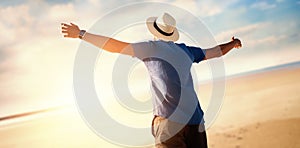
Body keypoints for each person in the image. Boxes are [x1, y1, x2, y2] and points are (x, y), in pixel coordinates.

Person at [61, 12, 242, 148]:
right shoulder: (186, 50)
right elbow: (216, 51)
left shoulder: (150, 48)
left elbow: (114, 46)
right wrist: (233, 44)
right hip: (196, 121)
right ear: (171, 35)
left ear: (155, 33)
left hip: (169, 124)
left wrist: (81, 34)